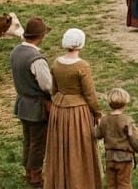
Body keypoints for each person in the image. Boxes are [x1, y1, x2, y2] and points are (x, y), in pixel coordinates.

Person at [44, 28, 103, 189]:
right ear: (80, 44)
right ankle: (79, 182)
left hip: (59, 109)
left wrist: (58, 103)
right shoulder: (82, 66)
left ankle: (60, 181)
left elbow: (54, 90)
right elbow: (90, 94)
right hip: (77, 112)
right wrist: (97, 113)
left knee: (61, 146)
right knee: (78, 147)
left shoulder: (57, 63)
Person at [11, 17, 53, 187]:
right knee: (38, 142)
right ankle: (35, 174)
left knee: (28, 140)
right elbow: (47, 86)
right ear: (41, 35)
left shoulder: (15, 51)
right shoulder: (37, 59)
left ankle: (28, 171)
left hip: (22, 103)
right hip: (37, 107)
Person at [96, 88, 138, 189]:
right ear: (125, 103)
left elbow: (97, 135)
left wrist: (98, 125)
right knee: (124, 184)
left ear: (109, 103)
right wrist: (137, 148)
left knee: (111, 185)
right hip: (124, 157)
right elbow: (133, 139)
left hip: (109, 158)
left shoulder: (104, 120)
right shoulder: (127, 121)